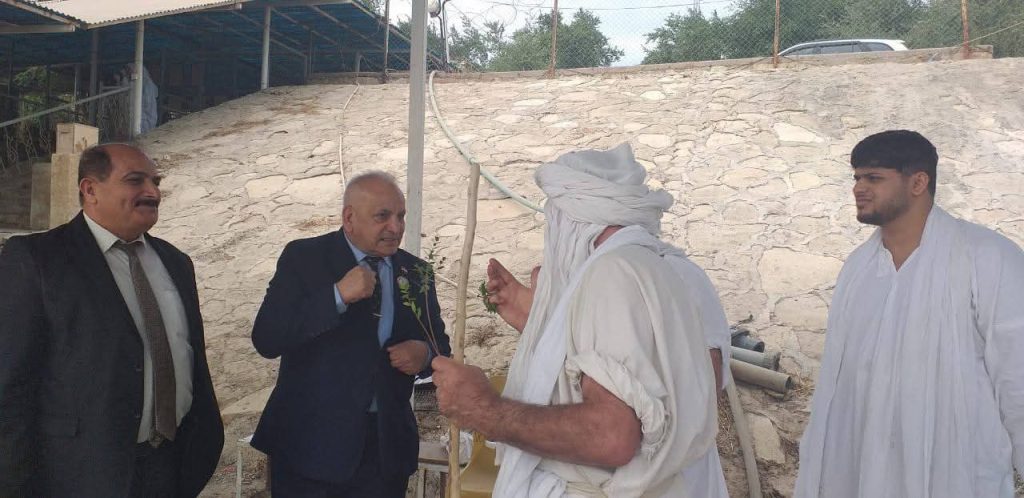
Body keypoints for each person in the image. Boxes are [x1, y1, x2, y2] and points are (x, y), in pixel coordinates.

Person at [432, 143, 728, 497]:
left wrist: (486, 410)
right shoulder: (644, 267)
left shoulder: (612, 272)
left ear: (572, 220)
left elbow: (612, 435)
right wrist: (539, 322)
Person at [795, 130, 1024, 498]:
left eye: (874, 178)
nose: (858, 188)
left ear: (918, 182)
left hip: (954, 471)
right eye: (856, 178)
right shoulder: (858, 268)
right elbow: (837, 385)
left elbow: (1017, 377)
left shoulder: (987, 258)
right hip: (860, 467)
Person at [0, 143, 224, 497]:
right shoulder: (38, 260)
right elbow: (11, 385)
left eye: (155, 182)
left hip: (172, 465)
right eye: (135, 181)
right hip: (80, 475)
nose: (152, 192)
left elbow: (190, 356)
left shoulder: (176, 262)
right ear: (90, 189)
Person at [250, 171, 451, 497]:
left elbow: (440, 346)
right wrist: (336, 296)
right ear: (349, 218)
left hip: (384, 450)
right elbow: (267, 338)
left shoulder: (415, 272)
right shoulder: (305, 258)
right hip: (311, 447)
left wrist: (424, 353)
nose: (396, 227)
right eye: (382, 216)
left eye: (401, 216)